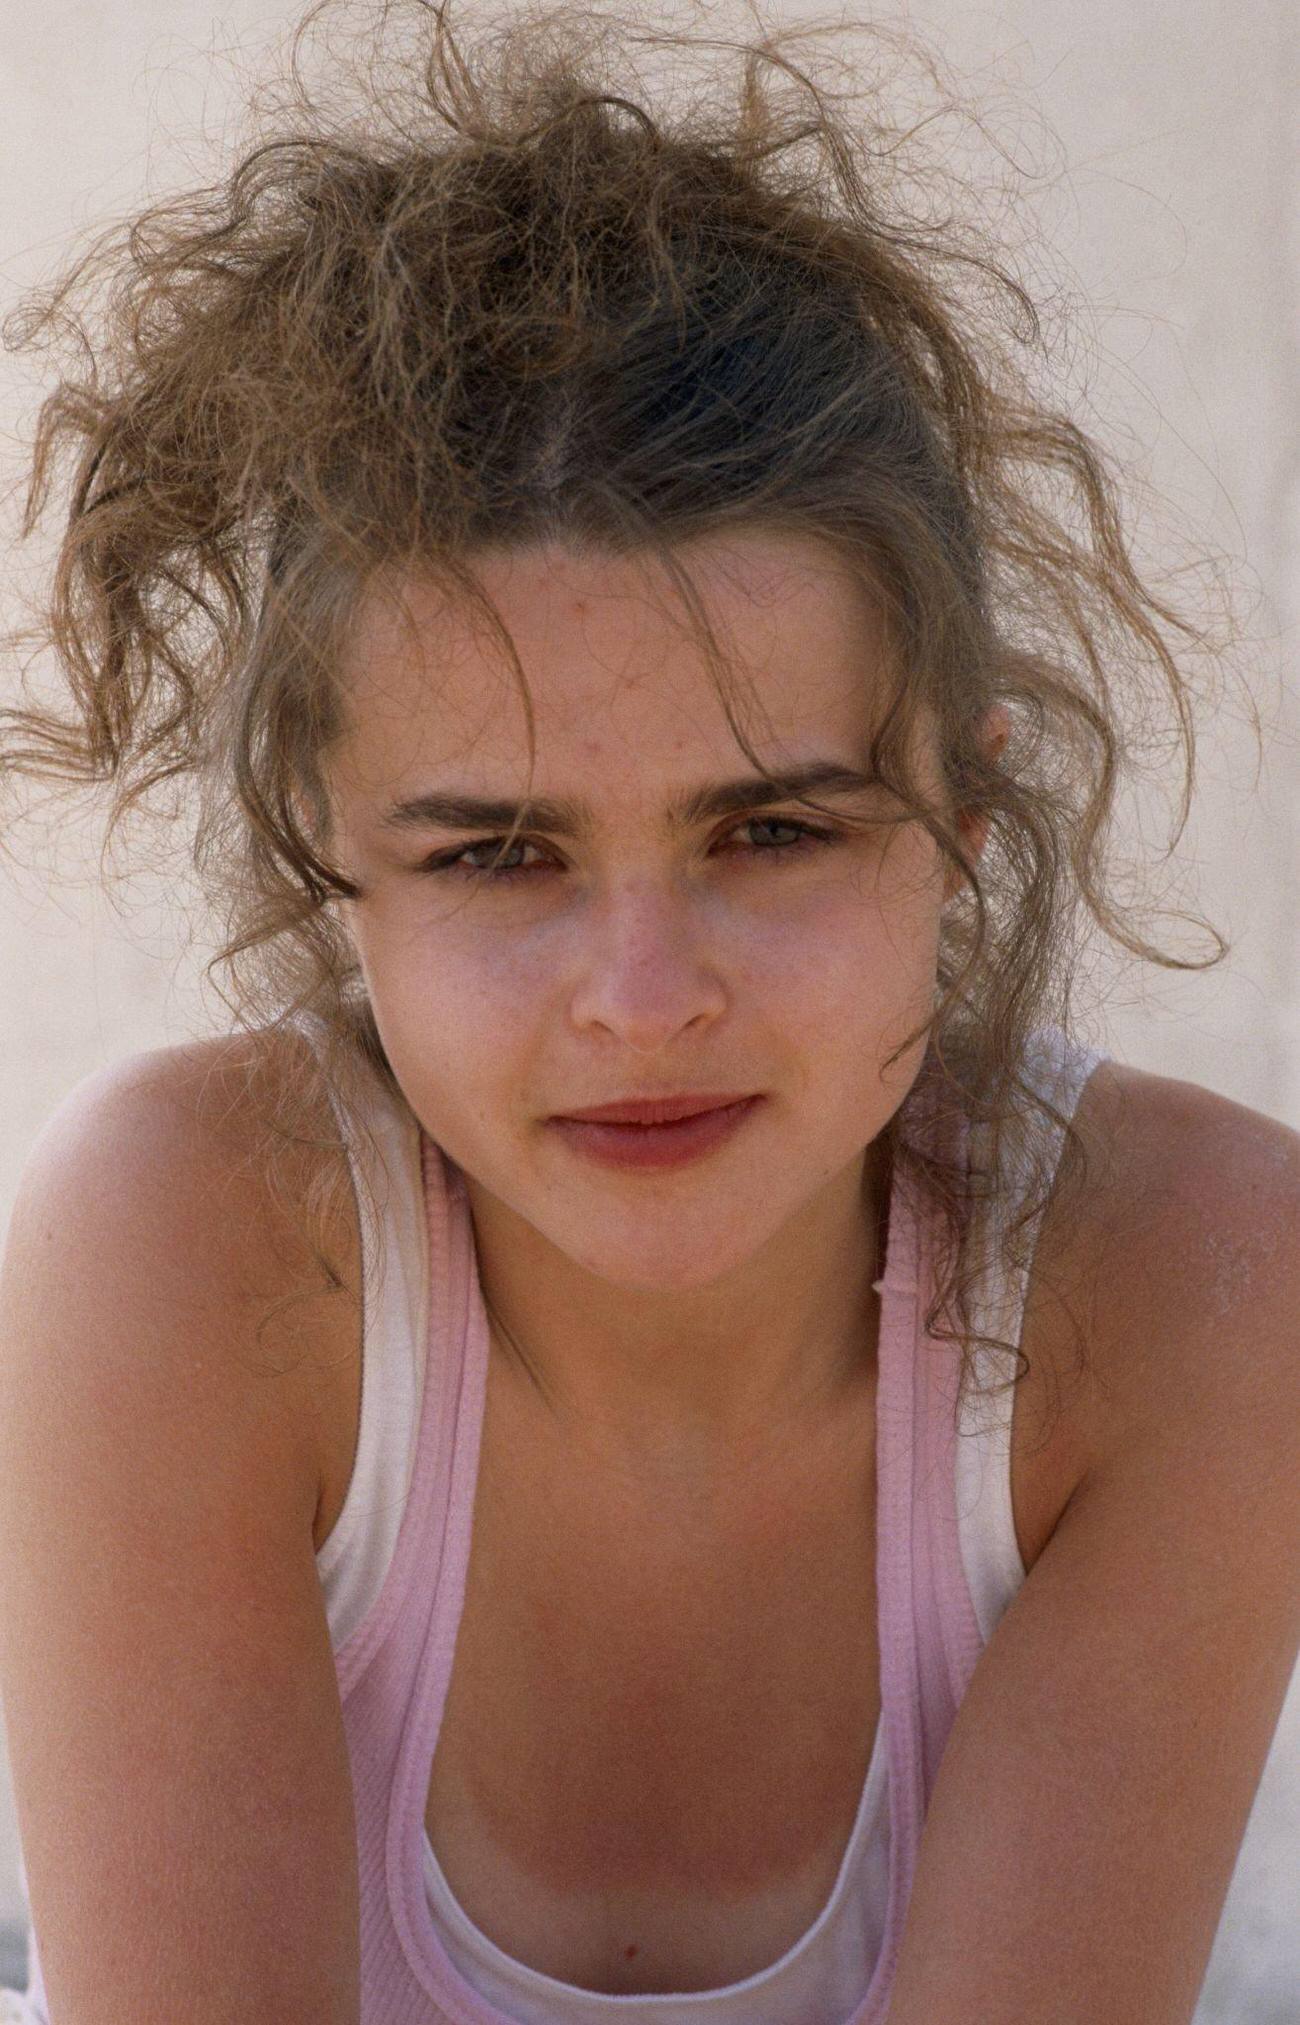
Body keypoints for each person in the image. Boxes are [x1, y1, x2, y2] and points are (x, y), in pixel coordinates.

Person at [0, 3, 1295, 2021]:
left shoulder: (1187, 1281)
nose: (641, 1000)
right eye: (497, 853)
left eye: (770, 826)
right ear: (327, 854)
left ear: (961, 804)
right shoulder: (188, 1247)